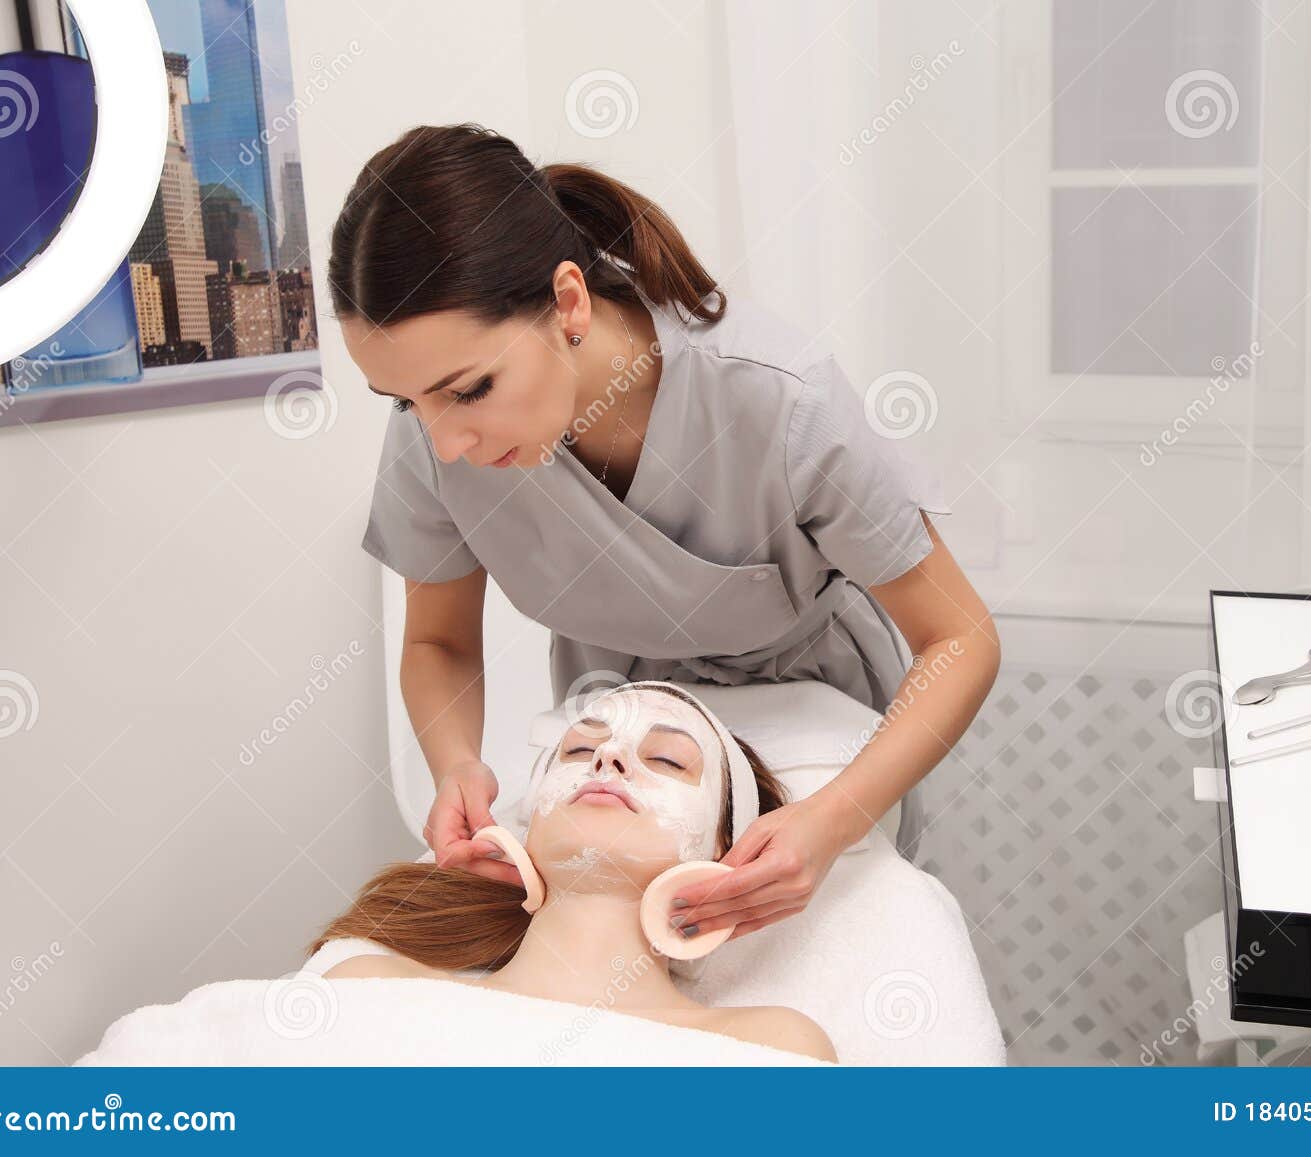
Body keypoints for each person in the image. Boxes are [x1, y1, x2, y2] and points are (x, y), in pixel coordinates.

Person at [330, 123, 999, 938]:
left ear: (567, 302)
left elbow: (960, 637)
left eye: (469, 389)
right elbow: (437, 644)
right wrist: (455, 765)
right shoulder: (436, 437)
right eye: (406, 400)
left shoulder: (779, 401)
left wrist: (832, 822)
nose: (441, 442)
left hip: (816, 738)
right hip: (613, 733)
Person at [311, 683, 836, 1062]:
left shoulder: (769, 1046)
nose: (608, 756)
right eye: (580, 750)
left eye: (668, 761)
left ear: (728, 850)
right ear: (529, 825)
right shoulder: (372, 989)